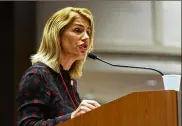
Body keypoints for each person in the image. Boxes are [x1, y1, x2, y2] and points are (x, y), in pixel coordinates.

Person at [16, 7, 101, 126]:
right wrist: (72, 117)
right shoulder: (37, 75)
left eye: (88, 31)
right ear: (57, 35)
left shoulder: (69, 80)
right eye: (78, 30)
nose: (86, 37)